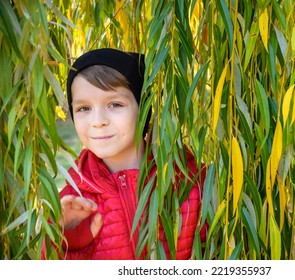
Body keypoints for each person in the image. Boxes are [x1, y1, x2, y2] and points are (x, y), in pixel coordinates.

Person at [56, 48, 206, 260]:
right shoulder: (74, 201)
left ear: (143, 108)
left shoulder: (189, 179)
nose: (98, 121)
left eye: (115, 104)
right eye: (84, 108)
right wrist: (67, 241)